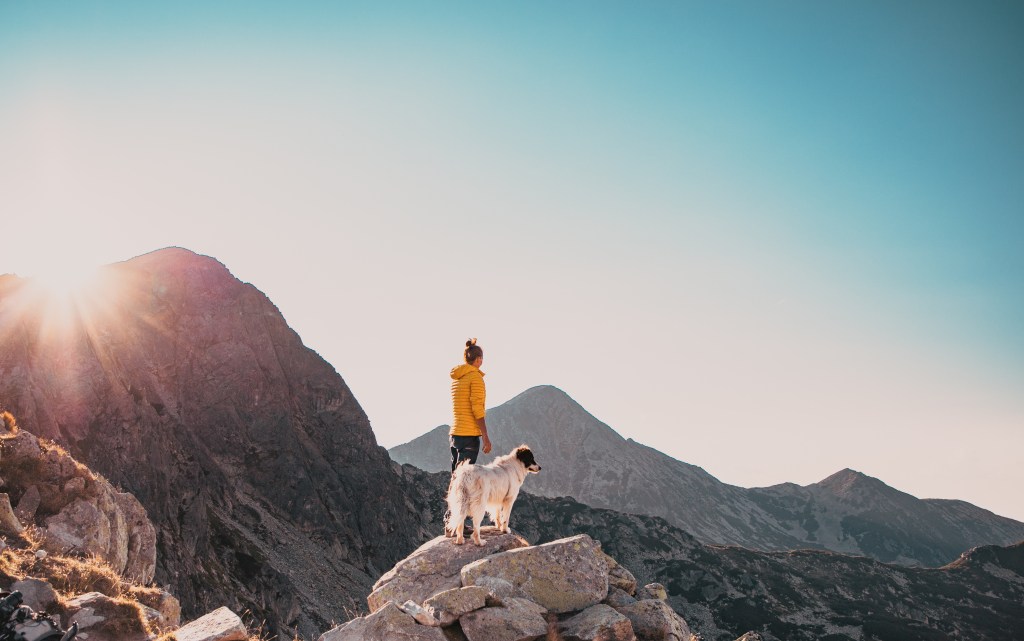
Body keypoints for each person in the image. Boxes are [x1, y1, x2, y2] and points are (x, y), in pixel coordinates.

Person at [449, 338, 492, 472]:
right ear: (478, 359)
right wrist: (485, 436)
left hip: (455, 435)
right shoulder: (476, 378)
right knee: (464, 481)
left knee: (456, 478)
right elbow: (477, 408)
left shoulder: (458, 379)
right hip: (469, 435)